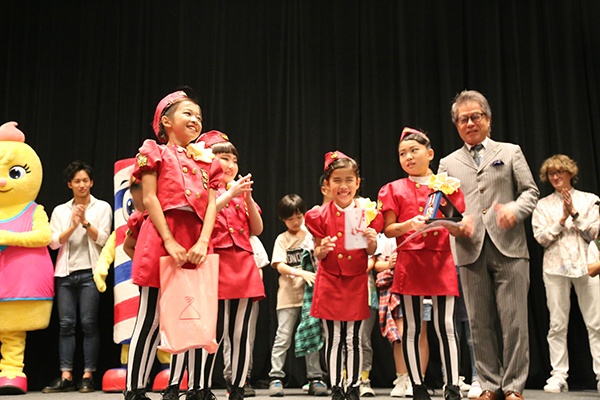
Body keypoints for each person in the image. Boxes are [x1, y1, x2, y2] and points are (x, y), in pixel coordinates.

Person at [438, 90, 539, 400]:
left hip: (510, 248)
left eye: (475, 117)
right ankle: (489, 385)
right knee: (479, 324)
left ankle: (514, 387)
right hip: (470, 248)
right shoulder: (447, 163)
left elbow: (530, 192)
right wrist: (455, 225)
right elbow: (441, 208)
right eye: (463, 119)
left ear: (488, 119)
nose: (470, 123)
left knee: (515, 322)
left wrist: (514, 210)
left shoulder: (510, 152)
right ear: (456, 125)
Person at [123, 90, 222, 400]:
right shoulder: (155, 151)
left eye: (199, 116)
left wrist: (203, 241)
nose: (195, 120)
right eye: (188, 113)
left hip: (196, 239)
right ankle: (135, 389)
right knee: (151, 318)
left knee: (197, 313)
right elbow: (150, 198)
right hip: (161, 235)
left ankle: (197, 388)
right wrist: (168, 240)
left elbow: (211, 205)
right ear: (166, 121)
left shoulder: (207, 160)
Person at [378, 127, 465, 400]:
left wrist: (452, 223)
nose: (408, 157)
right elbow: (388, 230)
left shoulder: (446, 186)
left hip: (441, 260)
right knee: (413, 327)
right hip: (410, 261)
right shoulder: (394, 188)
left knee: (446, 326)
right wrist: (408, 225)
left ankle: (452, 386)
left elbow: (458, 227)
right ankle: (417, 385)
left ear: (430, 154)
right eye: (402, 153)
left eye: (414, 151)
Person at [189, 130, 265, 400]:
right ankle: (201, 386)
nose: (230, 165)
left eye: (234, 160)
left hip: (243, 265)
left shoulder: (240, 193)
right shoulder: (204, 189)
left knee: (241, 332)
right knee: (214, 331)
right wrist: (230, 192)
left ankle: (238, 386)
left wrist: (246, 197)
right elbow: (202, 214)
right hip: (216, 264)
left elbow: (258, 228)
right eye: (223, 158)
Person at [304, 151, 383, 400]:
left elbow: (369, 251)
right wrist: (323, 249)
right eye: (337, 180)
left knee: (354, 337)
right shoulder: (318, 215)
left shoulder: (366, 212)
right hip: (329, 280)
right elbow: (318, 252)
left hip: (356, 280)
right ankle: (337, 386)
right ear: (327, 185)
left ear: (357, 183)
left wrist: (371, 241)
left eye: (349, 180)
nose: (343, 186)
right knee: (334, 337)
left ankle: (353, 385)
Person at [531, 154, 600, 393]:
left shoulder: (590, 200)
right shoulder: (542, 205)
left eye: (559, 172)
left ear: (570, 173)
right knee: (557, 325)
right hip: (555, 269)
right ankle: (559, 376)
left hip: (587, 267)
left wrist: (575, 214)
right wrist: (561, 219)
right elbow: (541, 238)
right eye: (551, 174)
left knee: (596, 323)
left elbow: (595, 233)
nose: (555, 177)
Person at [43, 161, 112, 393]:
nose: (82, 185)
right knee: (66, 325)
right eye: (77, 181)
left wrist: (84, 222)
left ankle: (87, 375)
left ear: (91, 182)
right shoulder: (60, 210)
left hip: (90, 274)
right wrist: (72, 226)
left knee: (89, 323)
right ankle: (66, 375)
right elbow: (53, 243)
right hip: (65, 274)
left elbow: (104, 239)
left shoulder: (102, 207)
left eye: (85, 180)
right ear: (69, 184)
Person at [268, 194, 327, 397]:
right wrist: (299, 272)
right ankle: (276, 377)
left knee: (312, 337)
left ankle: (315, 378)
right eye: (290, 218)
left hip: (310, 298)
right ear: (282, 219)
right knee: (283, 337)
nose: (295, 222)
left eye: (299, 217)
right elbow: (279, 265)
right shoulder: (282, 239)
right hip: (287, 298)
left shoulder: (310, 235)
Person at [373, 233, 431, 398]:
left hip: (421, 284)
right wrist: (389, 263)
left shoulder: (421, 231)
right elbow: (377, 264)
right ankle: (402, 377)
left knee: (421, 333)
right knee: (400, 334)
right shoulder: (387, 236)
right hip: (397, 289)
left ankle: (418, 379)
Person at [222, 234, 269, 398]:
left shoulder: (253, 240)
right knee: (227, 337)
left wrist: (254, 289)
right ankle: (230, 377)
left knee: (246, 337)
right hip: (225, 292)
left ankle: (243, 379)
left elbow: (260, 268)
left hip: (248, 293)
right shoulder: (224, 235)